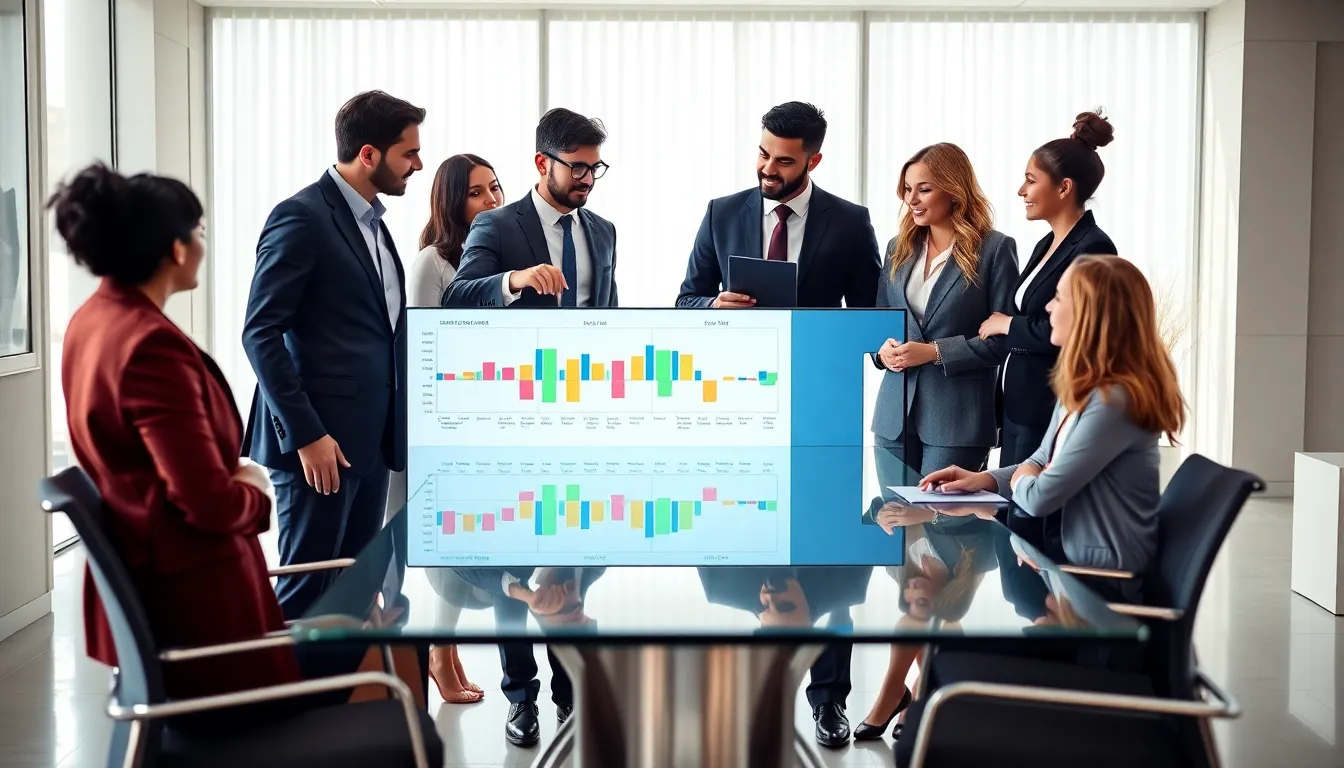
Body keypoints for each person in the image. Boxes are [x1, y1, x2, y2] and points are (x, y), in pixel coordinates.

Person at [242, 90, 424, 620]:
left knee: (352, 591)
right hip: (318, 449)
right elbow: (260, 332)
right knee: (309, 594)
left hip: (369, 446)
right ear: (369, 154)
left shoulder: (375, 223)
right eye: (408, 153)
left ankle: (338, 701)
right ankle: (283, 703)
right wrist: (306, 435)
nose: (418, 163)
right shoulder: (301, 217)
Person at [920, 254, 1186, 603]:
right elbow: (1042, 459)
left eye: (1059, 297)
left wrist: (1027, 476)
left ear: (1089, 315)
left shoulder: (1113, 400)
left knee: (961, 650)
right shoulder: (1086, 386)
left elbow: (1039, 496)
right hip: (1069, 573)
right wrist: (982, 479)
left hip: (1101, 589)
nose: (1047, 306)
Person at [392, 153, 504, 705]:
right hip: (443, 425)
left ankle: (446, 650)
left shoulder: (490, 258)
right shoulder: (431, 262)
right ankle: (438, 653)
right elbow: (422, 351)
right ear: (452, 201)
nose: (492, 200)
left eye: (495, 188)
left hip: (484, 420)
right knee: (446, 546)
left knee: (467, 545)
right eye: (478, 193)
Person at [978, 111, 1119, 466]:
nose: (1021, 190)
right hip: (1018, 404)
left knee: (1030, 511)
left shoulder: (1094, 248)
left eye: (1030, 180)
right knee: (1010, 507)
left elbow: (1079, 332)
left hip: (1051, 403)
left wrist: (1007, 325)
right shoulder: (1047, 243)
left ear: (1063, 187)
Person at [870, 143, 1019, 476]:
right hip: (894, 414)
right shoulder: (898, 248)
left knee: (943, 524)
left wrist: (934, 352)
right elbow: (882, 322)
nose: (912, 200)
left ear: (954, 191)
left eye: (924, 189)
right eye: (907, 190)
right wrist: (882, 352)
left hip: (958, 418)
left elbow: (1001, 340)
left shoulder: (995, 249)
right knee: (896, 523)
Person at [676, 101, 881, 308]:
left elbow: (871, 312)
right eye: (764, 155)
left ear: (813, 162)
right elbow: (687, 300)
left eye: (784, 161)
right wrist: (713, 305)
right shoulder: (720, 215)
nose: (768, 169)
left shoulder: (851, 223)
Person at [442, 108, 617, 308]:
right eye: (577, 168)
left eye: (594, 168)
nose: (588, 179)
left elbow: (611, 313)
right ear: (542, 164)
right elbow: (455, 298)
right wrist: (513, 281)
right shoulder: (495, 225)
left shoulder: (605, 231)